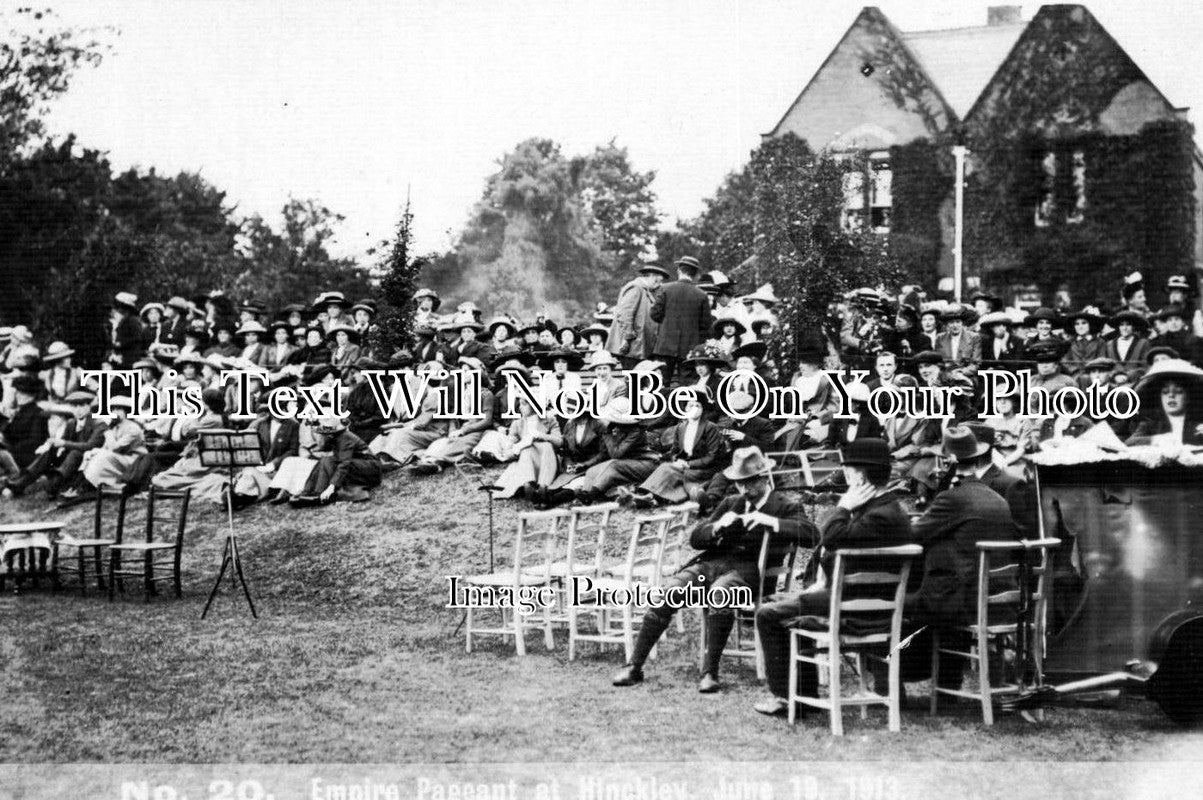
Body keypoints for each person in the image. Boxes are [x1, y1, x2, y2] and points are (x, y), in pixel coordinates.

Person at [612, 446, 816, 692]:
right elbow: (696, 539)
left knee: (721, 593)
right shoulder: (732, 502)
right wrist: (717, 526)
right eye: (739, 483)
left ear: (764, 478)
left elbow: (811, 535)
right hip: (712, 566)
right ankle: (634, 666)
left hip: (752, 573)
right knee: (670, 591)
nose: (744, 489)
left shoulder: (784, 506)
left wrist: (770, 522)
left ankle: (710, 671)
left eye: (749, 483)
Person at [752, 438, 914, 717]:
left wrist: (842, 505)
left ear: (860, 475)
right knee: (785, 601)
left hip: (853, 606)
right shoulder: (890, 510)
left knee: (768, 613)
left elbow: (830, 537)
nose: (845, 476)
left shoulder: (876, 515)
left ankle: (790, 697)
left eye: (848, 470)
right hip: (875, 603)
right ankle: (807, 693)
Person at [906, 426, 1016, 692]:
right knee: (930, 594)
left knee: (895, 603)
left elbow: (913, 534)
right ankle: (947, 687)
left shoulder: (953, 498)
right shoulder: (997, 498)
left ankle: (890, 687)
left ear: (951, 461)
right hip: (997, 598)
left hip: (963, 601)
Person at [622, 390, 727, 507]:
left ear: (703, 409)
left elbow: (712, 456)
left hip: (704, 468)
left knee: (669, 470)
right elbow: (674, 451)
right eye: (691, 405)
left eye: (698, 406)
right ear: (686, 408)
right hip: (683, 465)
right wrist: (676, 459)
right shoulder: (680, 428)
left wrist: (688, 464)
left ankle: (646, 494)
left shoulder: (710, 427)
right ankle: (651, 498)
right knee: (669, 468)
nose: (694, 408)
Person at [4, 390, 105, 499]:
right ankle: (21, 483)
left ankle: (54, 485)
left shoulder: (98, 423)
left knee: (75, 453)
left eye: (81, 406)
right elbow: (62, 443)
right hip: (69, 463)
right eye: (74, 406)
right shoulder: (72, 423)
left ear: (89, 406)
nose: (78, 410)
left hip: (87, 463)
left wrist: (64, 443)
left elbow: (90, 446)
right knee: (50, 451)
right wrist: (52, 444)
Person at [649, 256, 713, 385]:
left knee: (661, 383)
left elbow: (654, 314)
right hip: (689, 347)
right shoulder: (701, 295)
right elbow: (705, 324)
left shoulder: (665, 288)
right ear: (695, 274)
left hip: (665, 345)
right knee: (688, 384)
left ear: (679, 270)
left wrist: (667, 323)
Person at [292, 416, 382, 505]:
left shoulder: (345, 438)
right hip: (358, 465)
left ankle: (324, 492)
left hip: (371, 470)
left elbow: (344, 464)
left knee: (333, 462)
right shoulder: (336, 438)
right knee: (325, 460)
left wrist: (331, 488)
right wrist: (306, 489)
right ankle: (313, 491)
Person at [1125, 359, 1203, 446]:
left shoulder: (1198, 424)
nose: (1171, 396)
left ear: (1188, 397)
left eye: (1178, 392)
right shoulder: (1151, 424)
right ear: (1160, 398)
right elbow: (1129, 443)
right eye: (1165, 392)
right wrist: (1156, 439)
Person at [608, 263, 666, 367]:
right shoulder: (635, 288)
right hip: (632, 348)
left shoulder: (646, 290)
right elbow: (624, 314)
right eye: (657, 281)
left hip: (638, 348)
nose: (659, 285)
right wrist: (627, 337)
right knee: (633, 380)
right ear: (651, 276)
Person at [0, 375, 50, 482]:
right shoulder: (20, 411)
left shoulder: (38, 413)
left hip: (27, 455)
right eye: (17, 392)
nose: (17, 396)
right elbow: (10, 433)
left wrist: (10, 448)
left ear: (31, 396)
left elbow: (35, 440)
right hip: (15, 452)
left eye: (20, 393)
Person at [1104, 310, 1151, 383]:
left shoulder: (1143, 343)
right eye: (1122, 325)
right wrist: (1114, 376)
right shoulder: (1109, 344)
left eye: (1128, 325)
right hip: (1113, 384)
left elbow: (1145, 367)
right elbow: (1105, 367)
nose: (1124, 328)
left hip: (1135, 383)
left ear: (1133, 327)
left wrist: (1128, 376)